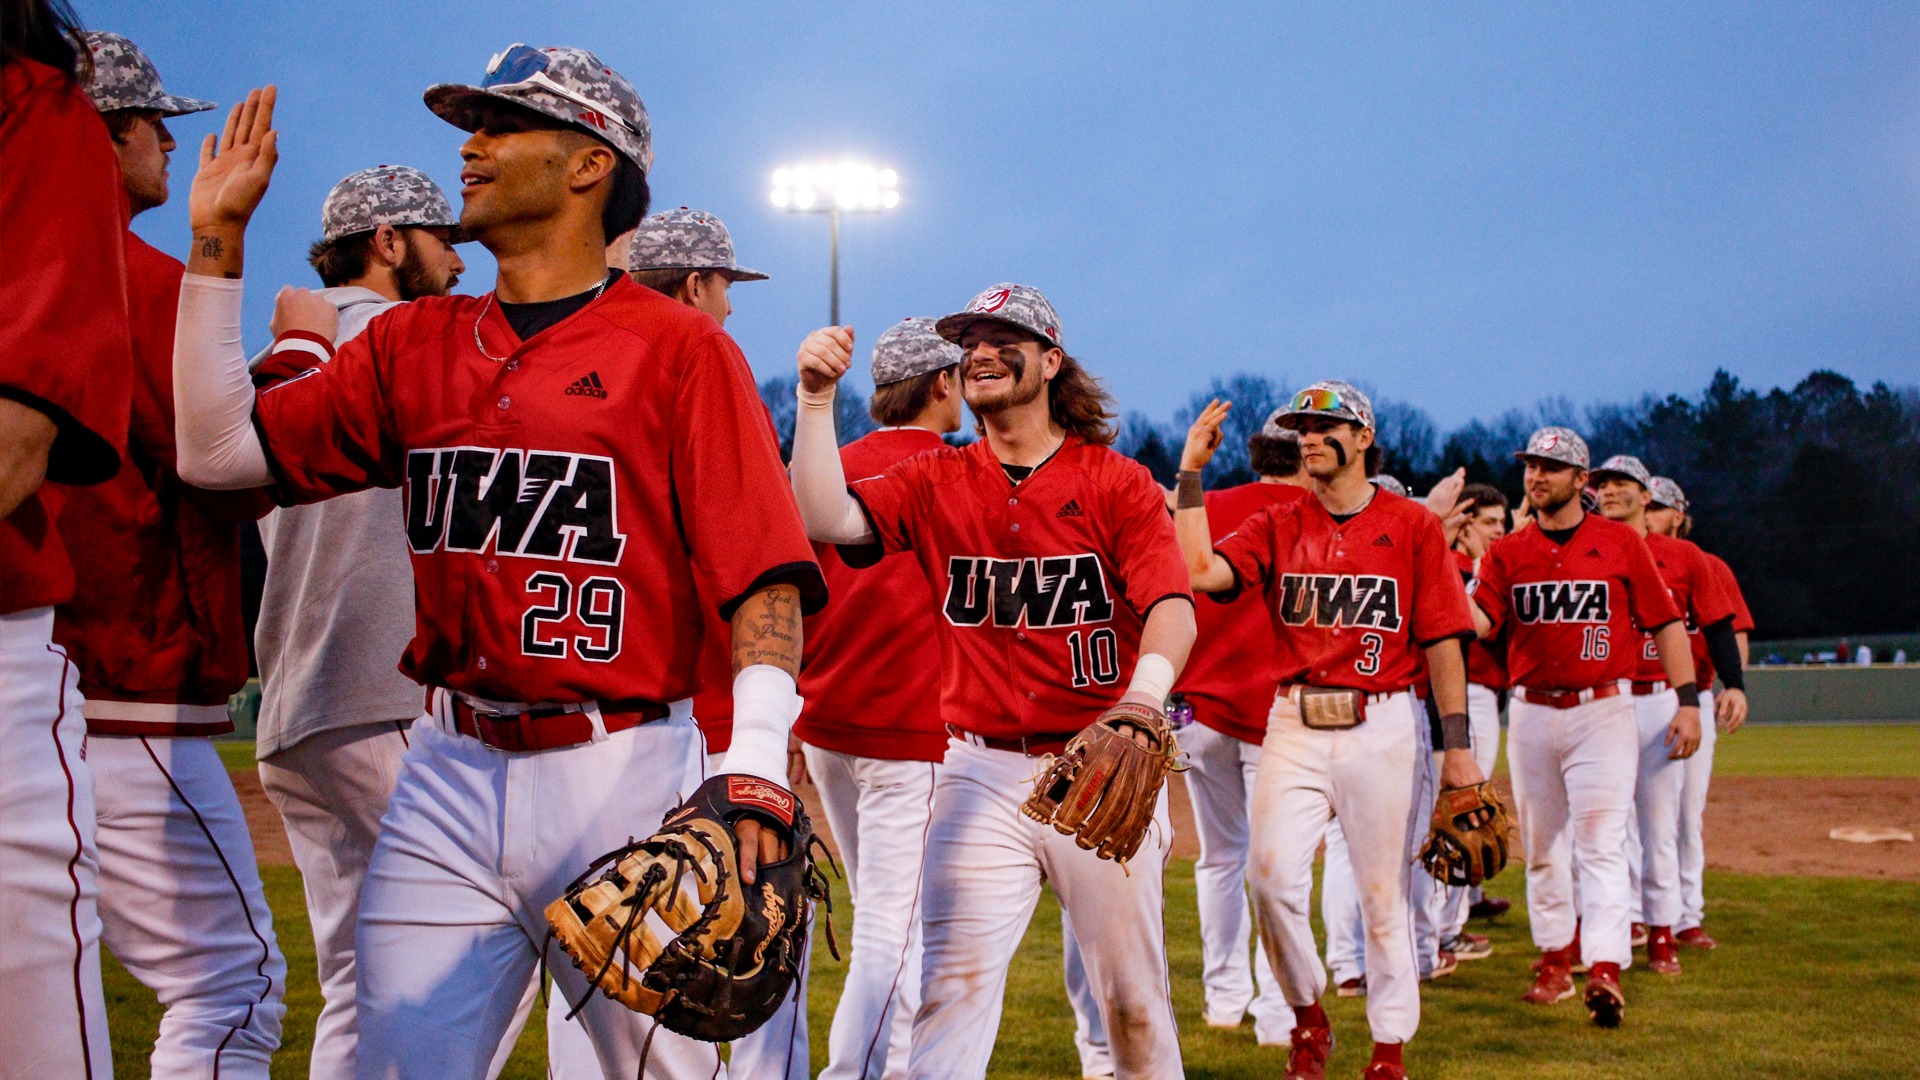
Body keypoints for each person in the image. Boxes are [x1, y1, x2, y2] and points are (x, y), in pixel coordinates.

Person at [169, 45, 826, 1080]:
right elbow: (217, 456)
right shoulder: (413, 342)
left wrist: (750, 761)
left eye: (503, 126)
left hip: (621, 773)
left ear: (590, 164)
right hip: (444, 769)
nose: (471, 148)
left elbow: (765, 578)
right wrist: (216, 243)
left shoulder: (682, 349)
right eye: (474, 125)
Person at [788, 283, 1196, 1079]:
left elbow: (1172, 607)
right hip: (975, 769)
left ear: (1051, 361)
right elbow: (823, 517)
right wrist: (813, 399)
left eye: (1003, 337)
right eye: (969, 340)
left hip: (1095, 760)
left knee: (1132, 1006)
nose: (980, 351)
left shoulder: (1115, 482)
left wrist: (1143, 701)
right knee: (948, 994)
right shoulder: (937, 477)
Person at [54, 31, 288, 1078]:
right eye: (149, 120)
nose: (164, 140)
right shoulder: (132, 278)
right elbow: (228, 474)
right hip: (124, 684)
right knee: (233, 986)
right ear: (100, 133)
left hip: (39, 684)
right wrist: (298, 358)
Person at [248, 164, 500, 1080]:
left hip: (295, 703)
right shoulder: (412, 347)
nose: (460, 263)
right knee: (484, 942)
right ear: (389, 242)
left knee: (360, 982)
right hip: (381, 689)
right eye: (442, 241)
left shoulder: (289, 355)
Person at [1175, 382, 1481, 1080]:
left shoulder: (1412, 525)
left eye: (1325, 427)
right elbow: (1199, 571)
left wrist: (1457, 749)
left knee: (1382, 896)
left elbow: (1443, 641)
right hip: (1294, 719)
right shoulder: (1281, 521)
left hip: (1384, 723)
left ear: (1364, 437)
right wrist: (1190, 473)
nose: (1310, 438)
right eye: (1303, 428)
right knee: (1268, 878)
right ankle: (1307, 1016)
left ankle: (1388, 1052)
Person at [622, 204, 805, 1080]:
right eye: (726, 286)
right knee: (677, 984)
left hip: (528, 721)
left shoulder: (582, 366)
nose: (730, 306)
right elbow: (757, 570)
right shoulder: (703, 366)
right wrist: (761, 738)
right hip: (679, 720)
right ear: (696, 284)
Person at [0, 2, 135, 1073]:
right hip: (142, 695)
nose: (167, 146)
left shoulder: (31, 108)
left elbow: (11, 446)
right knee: (230, 979)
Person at [1468, 428, 1699, 1029]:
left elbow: (1666, 623)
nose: (1536, 476)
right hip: (1532, 710)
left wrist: (1688, 701)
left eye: (1550, 466)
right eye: (1531, 466)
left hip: (1603, 710)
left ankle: (1605, 967)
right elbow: (1479, 619)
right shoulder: (1508, 551)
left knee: (1601, 842)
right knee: (1543, 846)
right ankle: (1554, 962)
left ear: (1580, 479)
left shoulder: (1620, 542)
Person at [795, 319, 959, 1080]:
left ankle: (892, 1067)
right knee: (893, 933)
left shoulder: (822, 468)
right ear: (941, 384)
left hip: (828, 723)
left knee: (883, 921)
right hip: (910, 731)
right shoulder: (954, 476)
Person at [1167, 407, 1307, 1043]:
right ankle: (1278, 1014)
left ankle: (1224, 999)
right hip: (1274, 713)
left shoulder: (1207, 507)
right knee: (1277, 867)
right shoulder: (1309, 518)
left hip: (1200, 708)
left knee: (1219, 860)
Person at [1590, 455, 1740, 977]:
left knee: (1661, 824)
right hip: (1603, 698)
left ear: (1646, 494)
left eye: (1622, 483)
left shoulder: (1682, 556)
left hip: (1660, 698)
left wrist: (1730, 685)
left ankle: (1663, 931)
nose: (1610, 491)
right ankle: (1615, 926)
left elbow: (1718, 624)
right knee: (1603, 825)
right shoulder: (1585, 546)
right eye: (1603, 483)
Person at [1646, 475, 1752, 949]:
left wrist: (1733, 684)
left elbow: (1731, 632)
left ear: (1678, 516)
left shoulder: (1706, 566)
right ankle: (1636, 915)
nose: (1648, 515)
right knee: (1630, 819)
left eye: (1658, 507)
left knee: (1686, 816)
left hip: (1693, 697)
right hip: (1631, 694)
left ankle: (1687, 915)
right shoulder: (1622, 557)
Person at [1438, 483, 1513, 943]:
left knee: (1463, 809)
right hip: (1465, 696)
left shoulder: (1479, 567)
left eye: (1503, 523)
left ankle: (1467, 901)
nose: (1499, 531)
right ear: (1464, 524)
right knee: (1462, 811)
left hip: (1478, 695)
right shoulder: (1459, 568)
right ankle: (1448, 929)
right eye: (1489, 522)